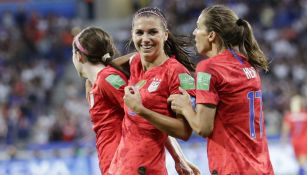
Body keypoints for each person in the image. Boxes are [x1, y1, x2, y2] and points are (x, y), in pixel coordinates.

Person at [72, 27, 200, 174]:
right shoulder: (94, 83)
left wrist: (179, 158)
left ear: (78, 56)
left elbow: (146, 119)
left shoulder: (107, 79)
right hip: (114, 166)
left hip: (129, 165)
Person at [167, 5, 274, 174]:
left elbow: (203, 127)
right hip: (262, 167)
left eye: (198, 27)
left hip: (233, 167)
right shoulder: (246, 64)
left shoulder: (208, 68)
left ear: (211, 35)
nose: (194, 33)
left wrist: (185, 107)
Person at [108, 7, 198, 175]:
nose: (145, 38)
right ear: (132, 35)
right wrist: (178, 157)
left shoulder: (176, 73)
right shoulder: (135, 62)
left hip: (146, 169)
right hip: (120, 167)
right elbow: (107, 70)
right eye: (139, 33)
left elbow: (184, 131)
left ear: (165, 34)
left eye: (152, 32)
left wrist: (140, 110)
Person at [281, 95, 307, 175]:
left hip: (300, 140)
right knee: (300, 161)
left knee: (301, 161)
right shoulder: (304, 114)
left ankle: (301, 171)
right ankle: (301, 171)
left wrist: (283, 141)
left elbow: (285, 130)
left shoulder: (289, 116)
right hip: (298, 141)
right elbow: (285, 130)